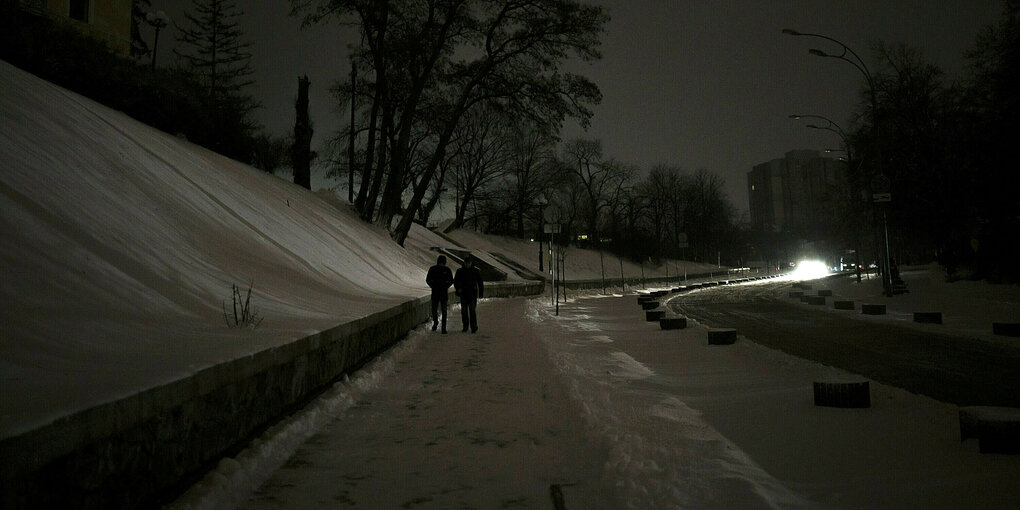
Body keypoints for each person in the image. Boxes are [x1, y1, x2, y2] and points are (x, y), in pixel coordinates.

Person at [453, 255, 484, 333]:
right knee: (464, 311)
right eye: (466, 263)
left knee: (472, 310)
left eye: (468, 263)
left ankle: (473, 327)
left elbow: (480, 282)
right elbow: (456, 281)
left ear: (471, 263)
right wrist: (458, 289)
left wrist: (481, 293)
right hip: (464, 294)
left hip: (472, 294)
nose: (467, 264)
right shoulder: (460, 271)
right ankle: (465, 326)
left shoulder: (475, 271)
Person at [426, 255, 454, 333]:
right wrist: (432, 285)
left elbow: (451, 280)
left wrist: (446, 286)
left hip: (443, 293)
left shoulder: (447, 270)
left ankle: (443, 328)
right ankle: (436, 322)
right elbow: (428, 279)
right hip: (435, 292)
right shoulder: (433, 269)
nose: (441, 264)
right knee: (434, 310)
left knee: (444, 311)